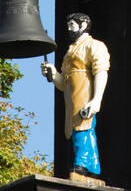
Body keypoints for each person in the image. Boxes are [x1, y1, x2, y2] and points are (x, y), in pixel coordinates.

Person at [41, 12, 110, 182]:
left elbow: (101, 71)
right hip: (72, 96)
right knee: (77, 128)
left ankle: (83, 164)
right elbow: (64, 83)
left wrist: (96, 99)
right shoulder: (71, 50)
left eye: (72, 25)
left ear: (83, 25)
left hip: (85, 91)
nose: (69, 29)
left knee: (83, 127)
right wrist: (53, 73)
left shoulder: (94, 45)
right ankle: (93, 167)